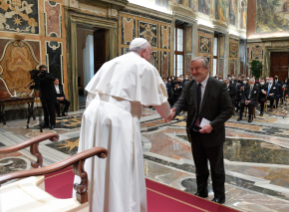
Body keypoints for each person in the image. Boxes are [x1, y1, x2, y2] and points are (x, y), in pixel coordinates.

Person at [73, 38, 170, 212]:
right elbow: (160, 100)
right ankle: (117, 206)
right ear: (144, 52)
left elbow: (91, 92)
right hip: (118, 118)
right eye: (150, 54)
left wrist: (92, 121)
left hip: (93, 114)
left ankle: (92, 203)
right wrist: (167, 115)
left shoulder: (110, 63)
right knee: (119, 164)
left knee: (94, 162)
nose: (149, 57)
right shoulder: (144, 65)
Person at [166, 57, 233, 204]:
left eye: (197, 68)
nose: (194, 72)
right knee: (200, 166)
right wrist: (172, 112)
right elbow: (181, 102)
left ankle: (219, 196)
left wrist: (213, 125)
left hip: (213, 134)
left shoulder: (218, 85)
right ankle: (201, 192)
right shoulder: (189, 85)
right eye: (192, 69)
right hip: (195, 134)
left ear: (206, 69)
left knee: (216, 169)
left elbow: (228, 110)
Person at [38, 65, 56, 129]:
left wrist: (45, 74)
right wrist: (38, 76)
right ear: (39, 70)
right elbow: (37, 84)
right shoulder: (39, 76)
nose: (43, 71)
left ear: (46, 69)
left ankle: (53, 124)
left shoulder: (49, 75)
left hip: (51, 95)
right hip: (43, 95)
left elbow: (53, 79)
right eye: (42, 70)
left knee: (51, 110)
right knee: (45, 110)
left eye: (44, 70)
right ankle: (46, 123)